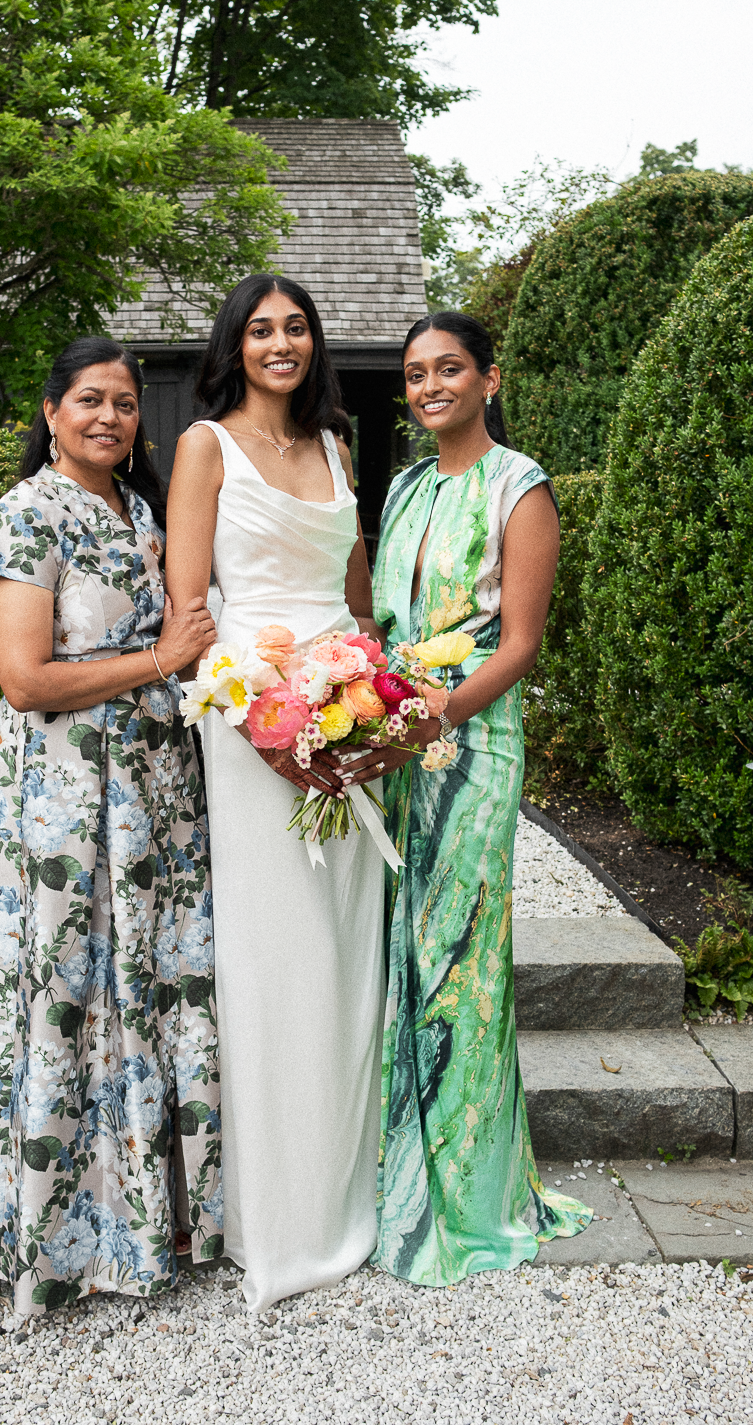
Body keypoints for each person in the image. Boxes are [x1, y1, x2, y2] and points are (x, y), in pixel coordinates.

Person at [0, 337, 222, 1313]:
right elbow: (26, 678)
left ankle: (139, 1223)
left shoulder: (140, 513)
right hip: (52, 807)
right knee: (57, 1001)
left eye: (125, 404)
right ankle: (43, 1234)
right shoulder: (25, 516)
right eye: (89, 400)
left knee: (143, 1002)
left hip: (150, 799)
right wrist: (159, 659)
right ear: (49, 412)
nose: (109, 418)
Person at [351, 311, 592, 1286]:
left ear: (488, 379)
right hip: (393, 740)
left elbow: (521, 643)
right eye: (414, 373)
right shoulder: (405, 485)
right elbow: (378, 614)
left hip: (471, 741)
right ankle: (402, 1178)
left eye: (448, 368)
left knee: (461, 960)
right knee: (400, 951)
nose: (428, 384)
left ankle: (475, 1193)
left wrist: (437, 713)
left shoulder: (518, 487)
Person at [165, 274, 386, 1312]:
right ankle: (277, 1217)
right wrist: (260, 715)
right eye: (261, 329)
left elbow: (354, 593)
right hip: (249, 710)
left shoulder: (338, 446)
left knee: (346, 938)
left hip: (342, 711)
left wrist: (370, 697)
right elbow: (189, 603)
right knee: (275, 942)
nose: (281, 343)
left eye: (296, 326)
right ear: (235, 346)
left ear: (314, 341)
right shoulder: (207, 446)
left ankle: (349, 1187)